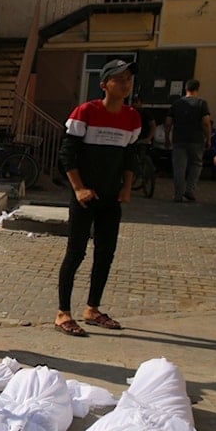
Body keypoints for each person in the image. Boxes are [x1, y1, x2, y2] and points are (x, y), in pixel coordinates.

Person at [54, 59, 141, 337]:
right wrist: (78, 188)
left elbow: (130, 156)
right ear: (104, 84)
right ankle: (63, 313)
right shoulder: (85, 113)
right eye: (119, 79)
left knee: (105, 253)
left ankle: (92, 309)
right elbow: (66, 154)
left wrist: (127, 188)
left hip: (111, 197)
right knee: (76, 253)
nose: (125, 83)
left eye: (128, 78)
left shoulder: (131, 118)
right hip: (84, 197)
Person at [164, 79, 212, 202]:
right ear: (198, 89)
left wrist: (167, 137)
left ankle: (178, 194)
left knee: (179, 167)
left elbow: (168, 122)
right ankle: (190, 190)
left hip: (179, 139)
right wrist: (208, 138)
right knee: (196, 164)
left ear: (186, 89)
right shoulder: (202, 103)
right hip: (196, 139)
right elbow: (206, 123)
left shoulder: (176, 104)